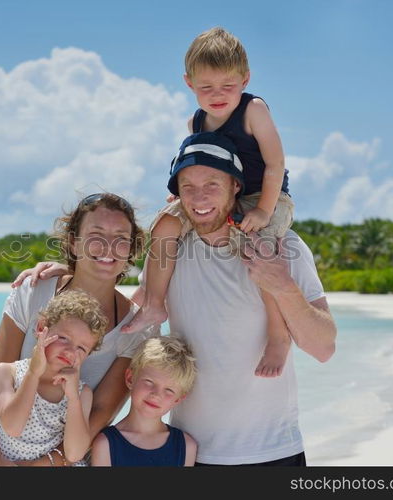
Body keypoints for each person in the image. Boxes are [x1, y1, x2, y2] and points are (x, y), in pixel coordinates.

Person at [123, 27, 295, 379]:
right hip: (219, 194)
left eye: (227, 86)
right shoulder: (196, 122)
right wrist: (181, 195)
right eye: (206, 87)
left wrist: (262, 210)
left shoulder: (254, 110)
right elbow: (197, 163)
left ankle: (278, 336)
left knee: (260, 252)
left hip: (264, 194)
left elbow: (276, 164)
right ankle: (154, 300)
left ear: (245, 79)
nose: (217, 95)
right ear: (189, 83)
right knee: (166, 223)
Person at [160, 131, 336, 465]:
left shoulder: (286, 246)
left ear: (235, 186)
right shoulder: (171, 249)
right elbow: (133, 306)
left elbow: (324, 348)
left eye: (212, 183)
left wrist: (283, 286)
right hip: (190, 452)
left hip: (274, 451)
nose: (199, 197)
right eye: (188, 187)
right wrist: (64, 269)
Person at [0, 193, 157, 466]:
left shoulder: (137, 327)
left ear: (131, 250)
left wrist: (44, 465)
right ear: (74, 243)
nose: (108, 247)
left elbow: (100, 412)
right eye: (96, 234)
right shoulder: (32, 292)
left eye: (121, 238)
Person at [0, 290, 107, 465]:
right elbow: (13, 427)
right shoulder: (7, 373)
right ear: (41, 328)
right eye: (63, 338)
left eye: (82, 349)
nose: (70, 351)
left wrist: (73, 399)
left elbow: (74, 453)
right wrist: (33, 374)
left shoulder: (81, 393)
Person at [90, 336, 198, 466]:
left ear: (179, 399)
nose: (156, 394)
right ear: (130, 378)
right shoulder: (105, 444)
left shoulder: (186, 447)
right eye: (149, 382)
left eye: (169, 390)